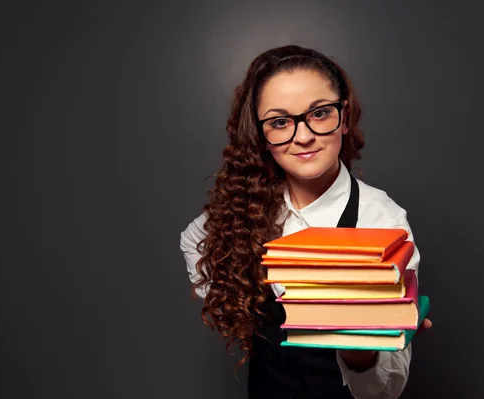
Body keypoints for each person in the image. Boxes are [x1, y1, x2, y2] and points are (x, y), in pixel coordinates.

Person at [180, 44, 431, 399]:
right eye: (280, 121)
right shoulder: (248, 209)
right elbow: (194, 239)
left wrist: (360, 353)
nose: (303, 135)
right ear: (263, 136)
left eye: (319, 113)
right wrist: (241, 303)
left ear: (343, 117)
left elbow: (384, 390)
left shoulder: (381, 220)